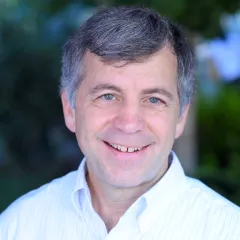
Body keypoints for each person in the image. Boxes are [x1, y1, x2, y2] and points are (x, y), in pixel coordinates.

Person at [0, 6, 239, 240]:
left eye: (154, 99)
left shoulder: (228, 231)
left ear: (181, 117)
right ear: (70, 109)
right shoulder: (18, 226)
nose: (128, 123)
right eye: (108, 96)